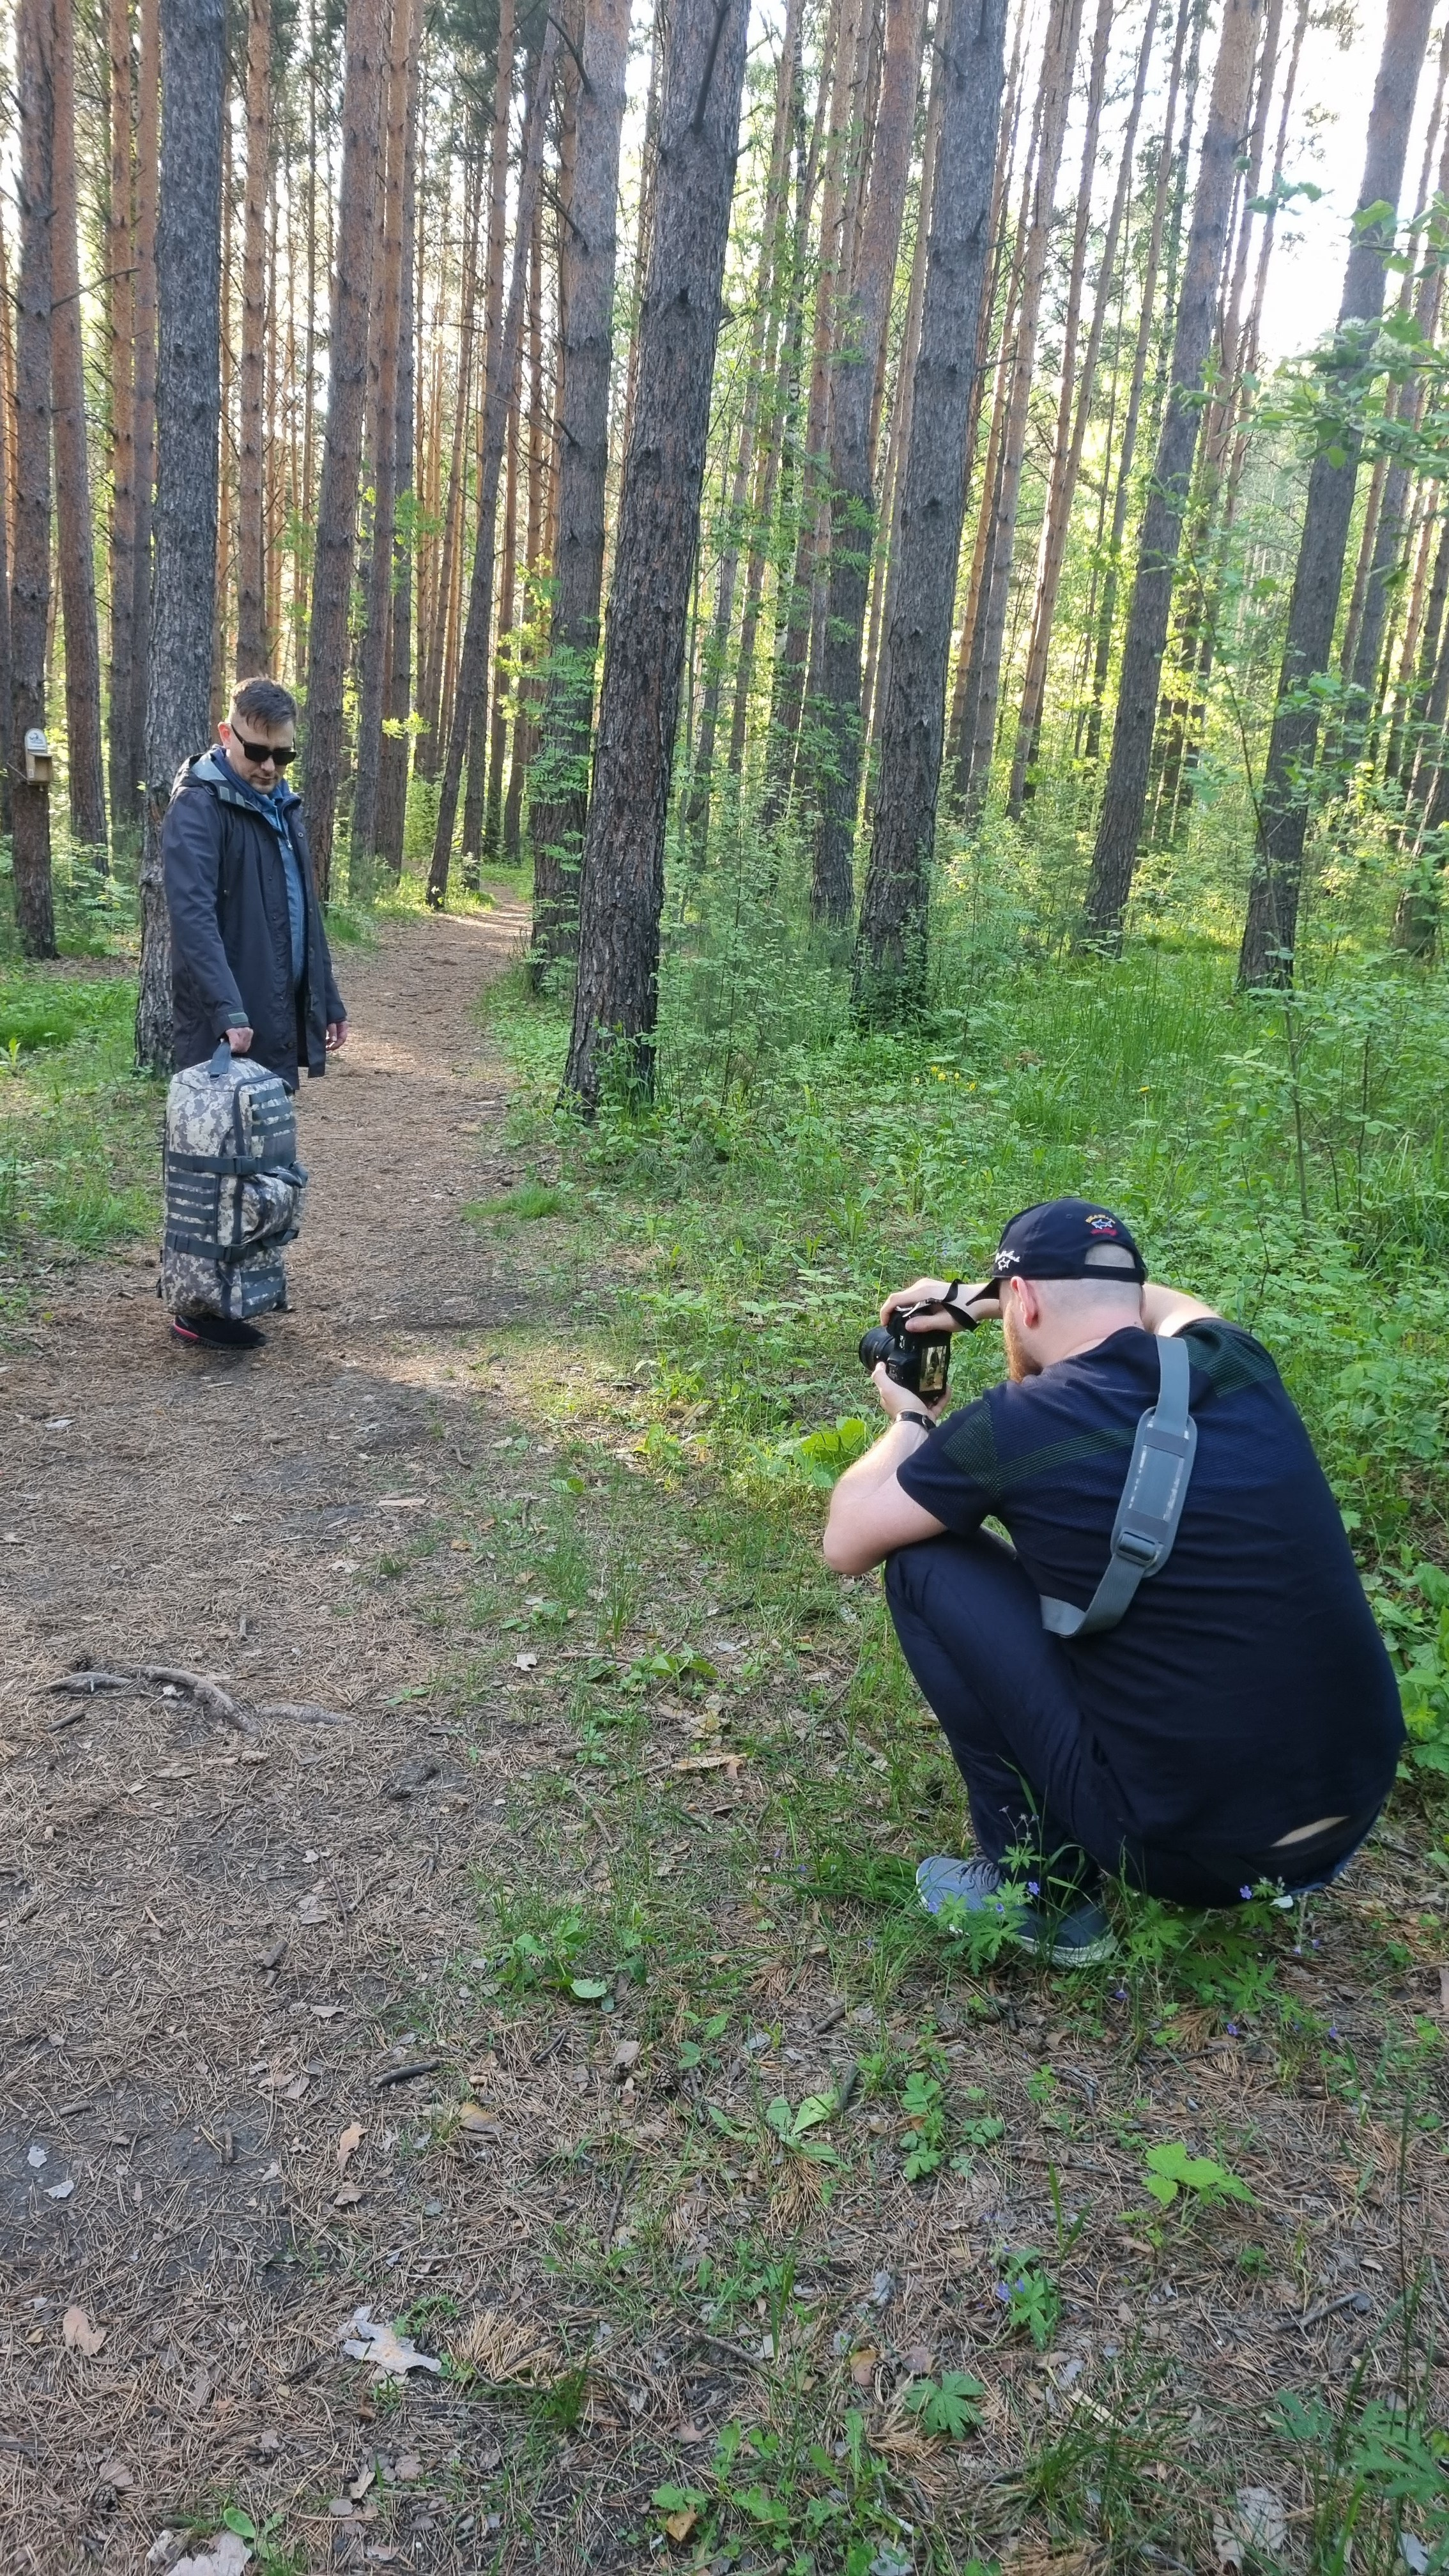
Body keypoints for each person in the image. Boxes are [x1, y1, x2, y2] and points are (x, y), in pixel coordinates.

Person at [822, 1196, 1404, 1965]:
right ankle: (1268, 1860)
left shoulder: (1016, 1423)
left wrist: (911, 1420)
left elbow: (845, 1542)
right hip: (1351, 1811)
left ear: (1022, 1301)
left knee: (924, 1562)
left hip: (1184, 1854)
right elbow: (1164, 1304)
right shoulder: (1236, 1360)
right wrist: (978, 1297)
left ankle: (1043, 1897)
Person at [162, 676, 348, 1351]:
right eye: (256, 752)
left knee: (264, 1165)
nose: (269, 767)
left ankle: (249, 1284)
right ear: (226, 735)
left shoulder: (281, 806)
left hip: (270, 1014)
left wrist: (325, 997)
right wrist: (226, 1008)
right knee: (219, 1166)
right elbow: (193, 919)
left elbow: (305, 912)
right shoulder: (199, 809)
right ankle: (201, 1309)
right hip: (226, 1024)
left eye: (282, 756)